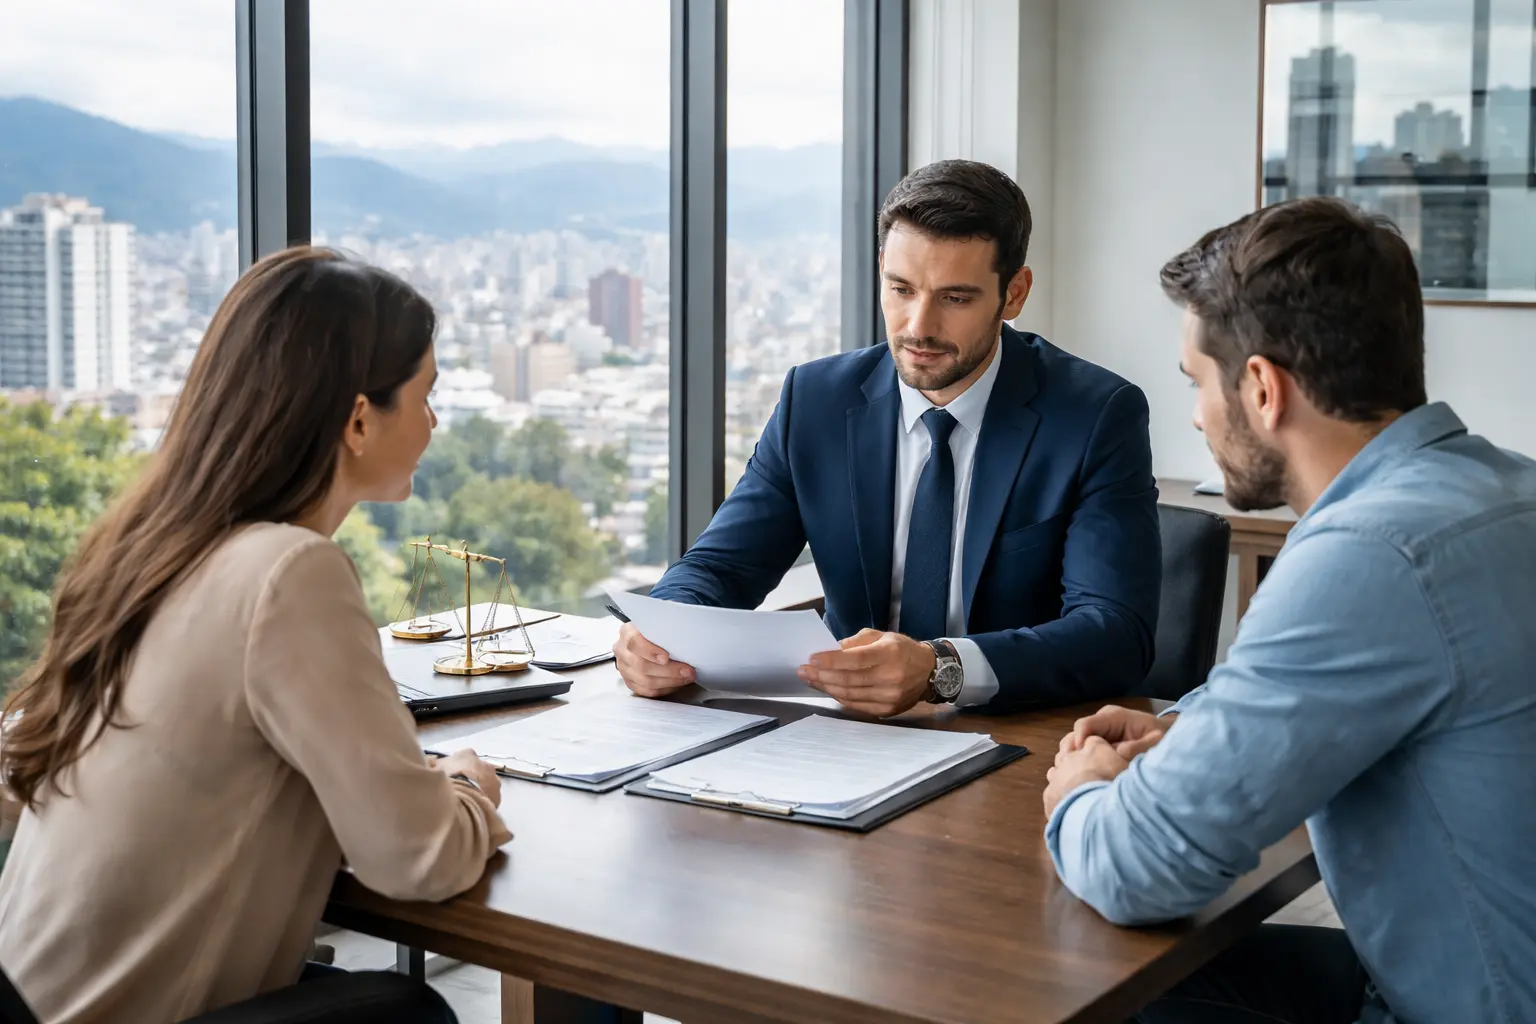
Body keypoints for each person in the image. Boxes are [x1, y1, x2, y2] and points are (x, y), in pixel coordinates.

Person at [1043, 197, 1536, 1023]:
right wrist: (1187, 729)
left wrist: (1081, 792)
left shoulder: (1369, 555)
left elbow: (1141, 868)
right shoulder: (1503, 489)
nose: (1196, 414)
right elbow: (1310, 685)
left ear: (1263, 388)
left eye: (1197, 383)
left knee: (1058, 983)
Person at [0, 247, 512, 1024]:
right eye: (426, 395)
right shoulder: (289, 572)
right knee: (405, 1012)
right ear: (359, 418)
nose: (435, 422)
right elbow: (417, 859)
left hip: (43, 1002)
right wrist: (467, 788)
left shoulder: (147, 551)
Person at [617, 159, 1161, 716]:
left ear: (1014, 294)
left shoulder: (1094, 416)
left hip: (1015, 731)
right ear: (881, 269)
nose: (918, 326)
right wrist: (660, 633)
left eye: (955, 298)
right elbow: (720, 568)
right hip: (848, 732)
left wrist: (940, 668)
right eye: (901, 289)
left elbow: (1116, 633)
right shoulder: (816, 400)